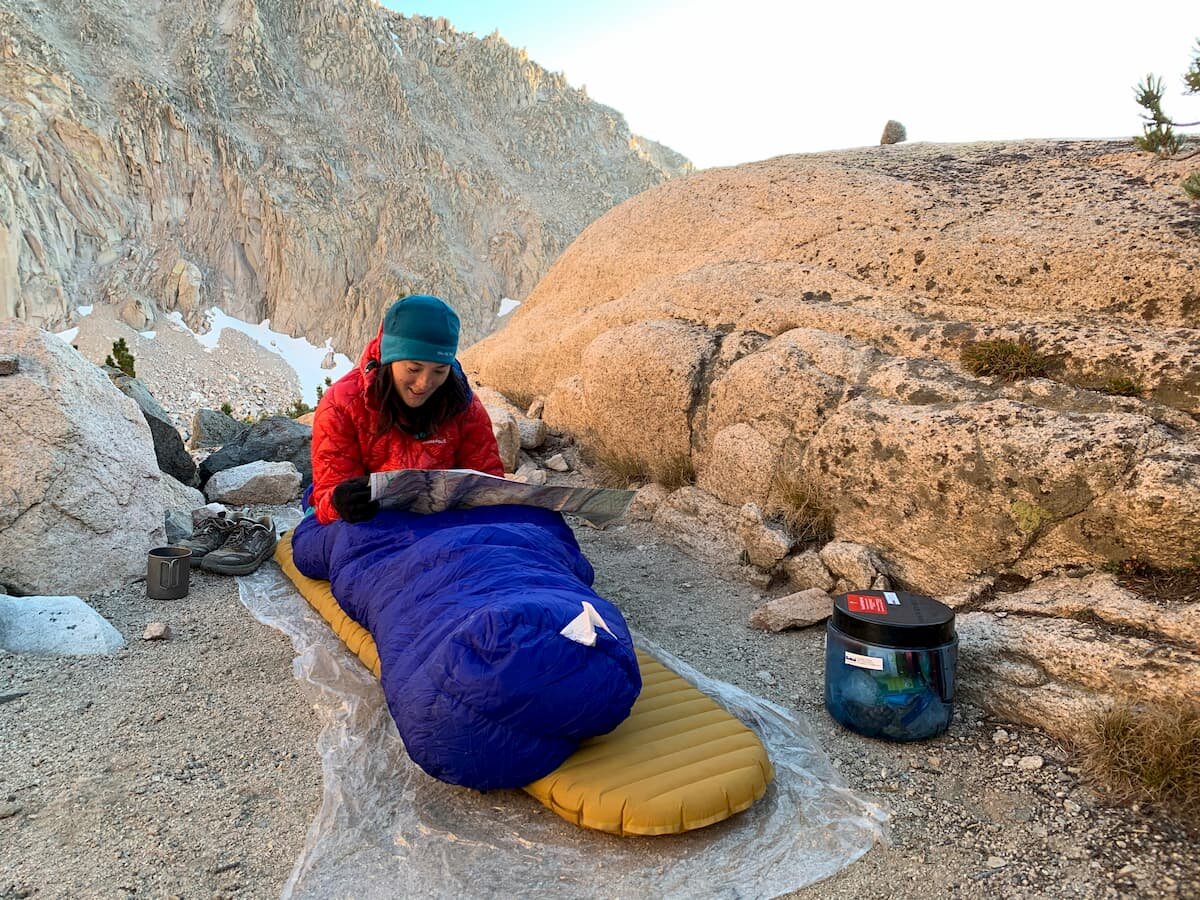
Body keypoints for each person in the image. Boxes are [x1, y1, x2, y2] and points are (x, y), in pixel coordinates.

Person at [308, 294, 503, 525]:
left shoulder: (461, 403)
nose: (424, 383)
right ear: (390, 358)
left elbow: (488, 480)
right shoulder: (341, 404)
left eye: (439, 371)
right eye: (413, 369)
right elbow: (327, 499)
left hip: (442, 522)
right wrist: (341, 502)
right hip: (372, 524)